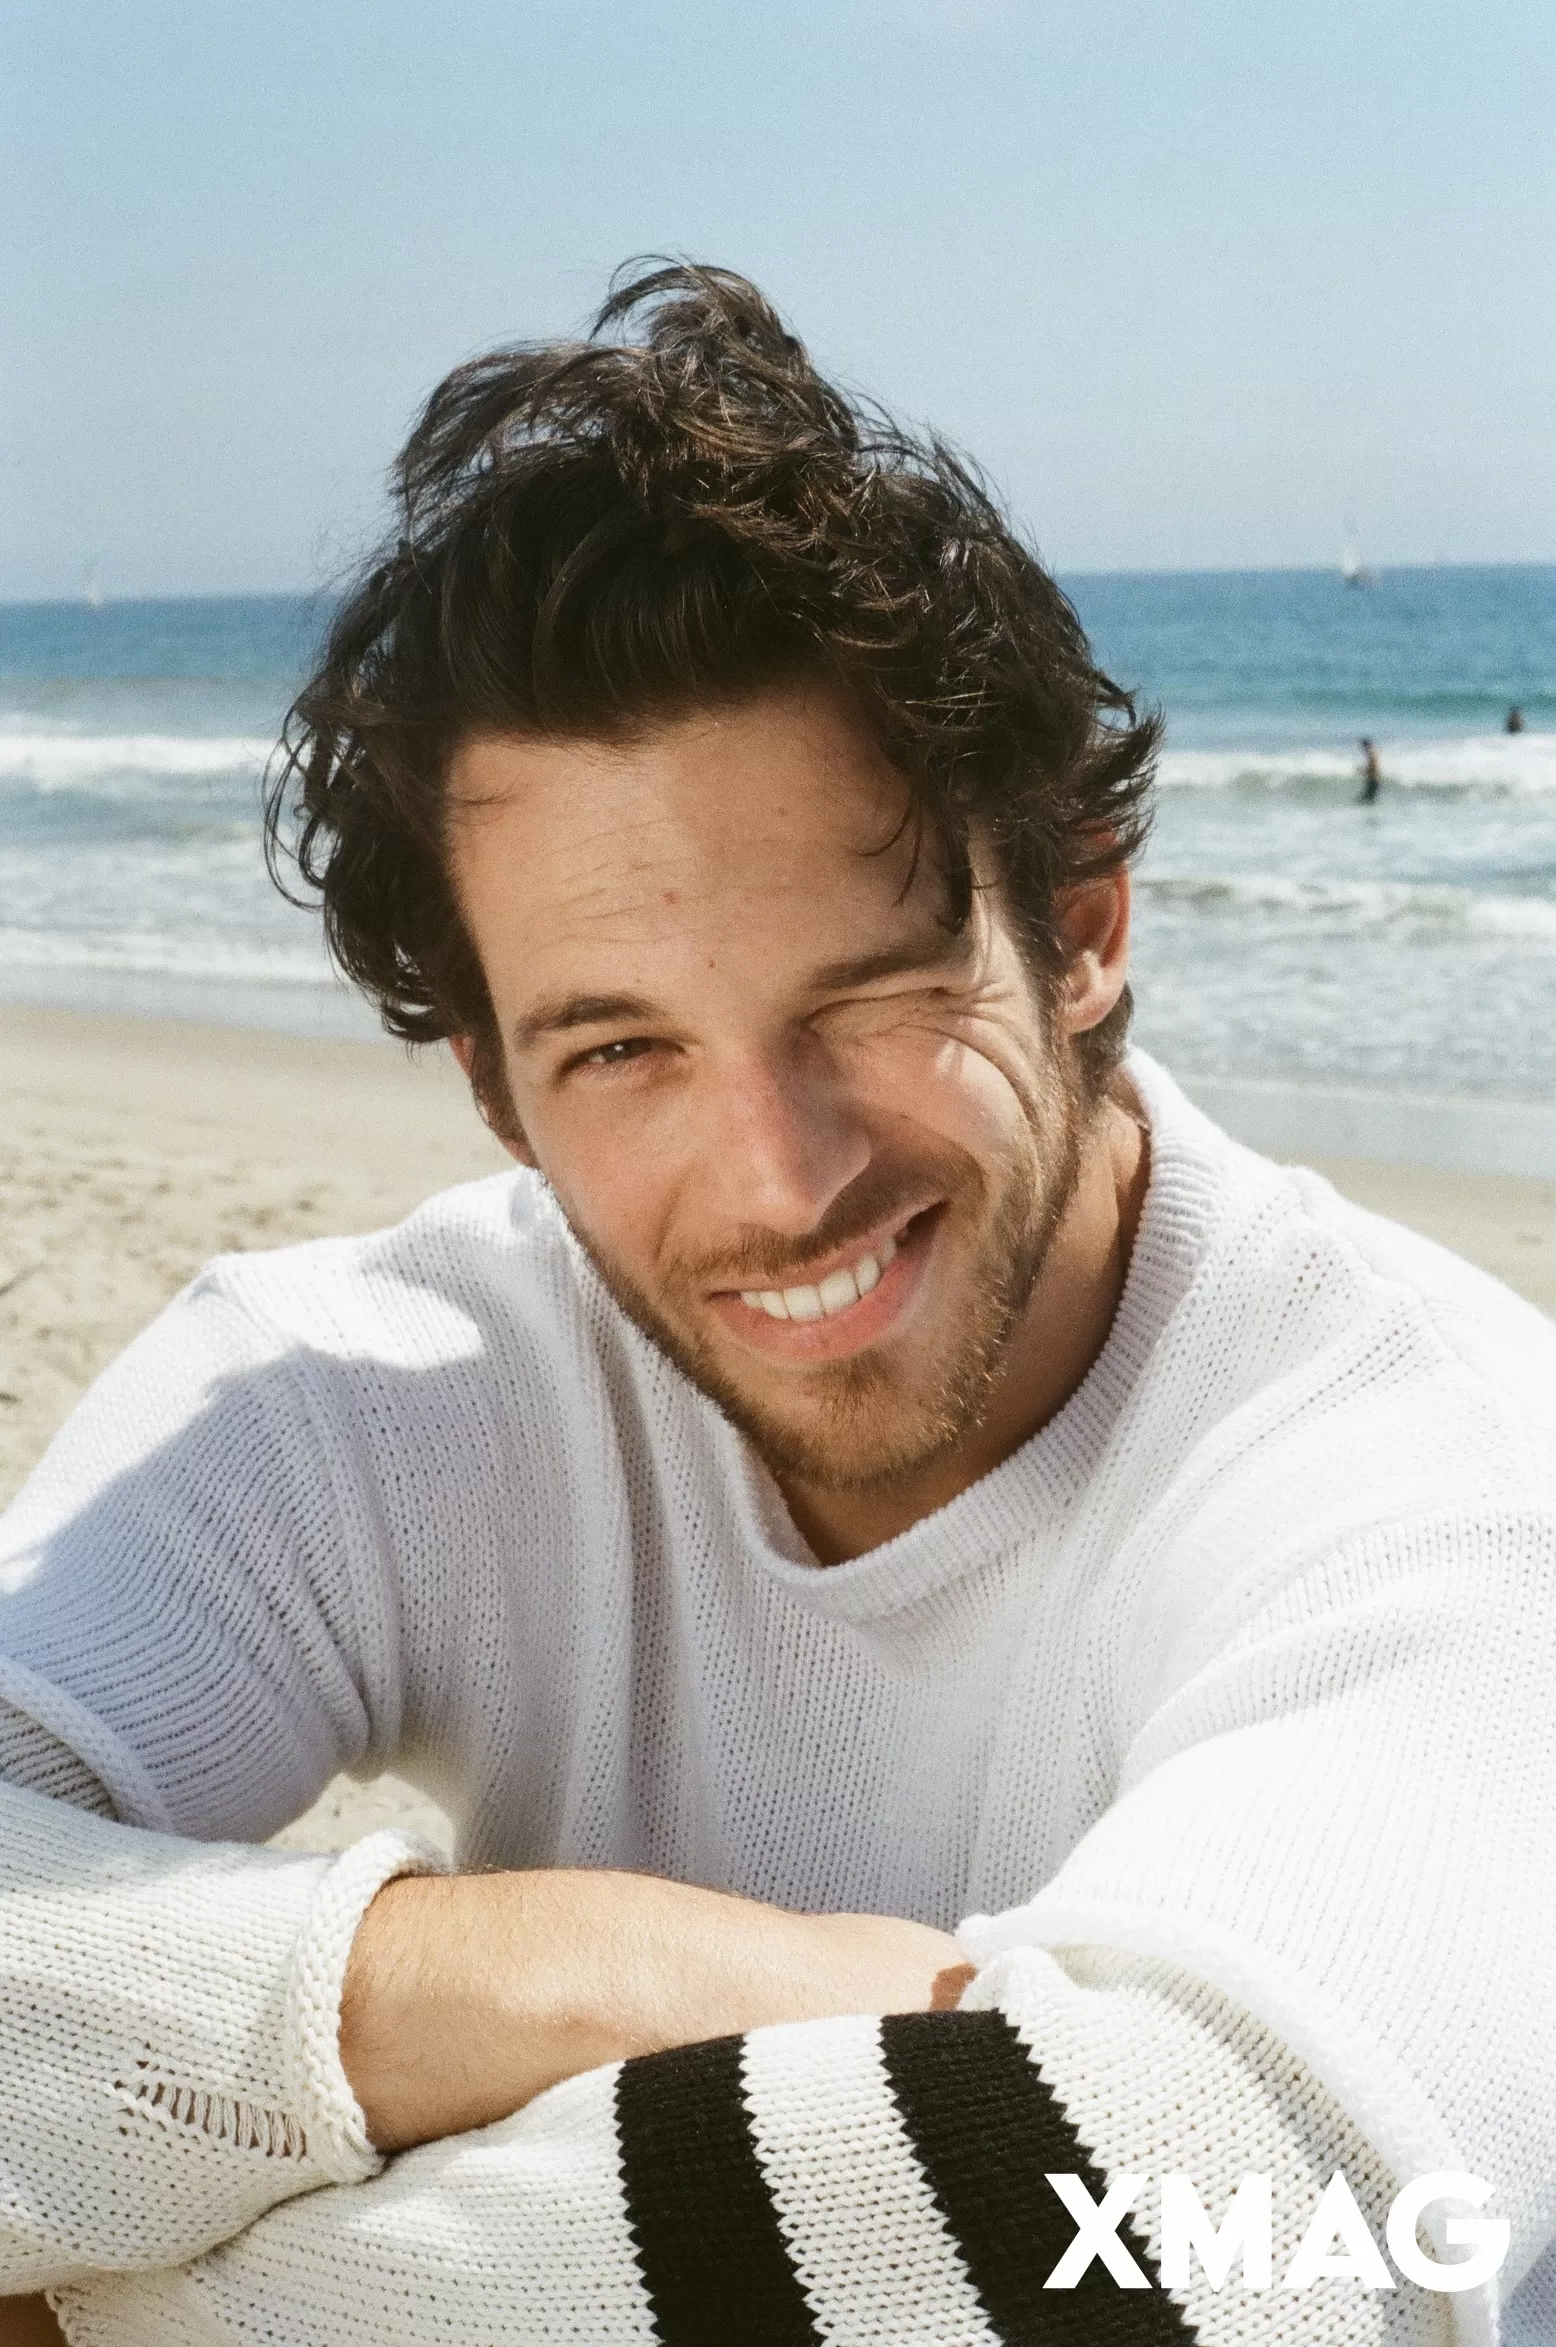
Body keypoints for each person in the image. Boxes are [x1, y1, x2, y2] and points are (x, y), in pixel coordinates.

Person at [3, 264, 1555, 2347]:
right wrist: (561, 1973)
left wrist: (98, 2294)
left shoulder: (1443, 1481)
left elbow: (1210, 2246)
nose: (777, 1176)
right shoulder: (380, 1388)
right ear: (496, 1091)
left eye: (867, 996)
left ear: (1082, 925)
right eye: (621, 1050)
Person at [1358, 736, 1382, 801]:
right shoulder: (1373, 752)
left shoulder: (1371, 753)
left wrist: (1363, 770)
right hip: (1373, 782)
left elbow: (1373, 768)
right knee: (1366, 801)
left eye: (1364, 746)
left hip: (1373, 782)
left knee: (1364, 801)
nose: (1363, 749)